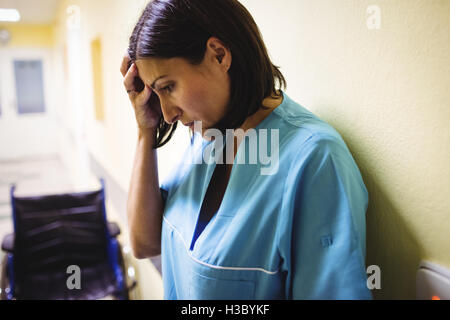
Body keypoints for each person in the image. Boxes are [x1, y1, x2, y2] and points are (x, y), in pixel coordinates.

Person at [121, 0, 372, 300]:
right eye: (154, 92)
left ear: (219, 54)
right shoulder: (205, 137)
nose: (167, 113)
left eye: (168, 87)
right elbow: (145, 243)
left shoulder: (314, 161)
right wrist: (145, 130)